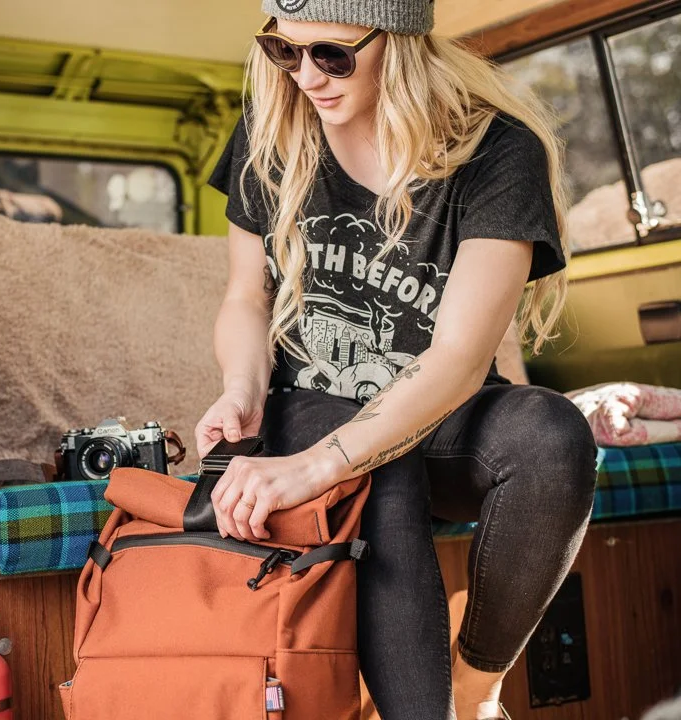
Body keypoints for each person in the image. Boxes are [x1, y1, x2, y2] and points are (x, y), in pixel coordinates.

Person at [195, 1, 599, 718]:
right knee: (378, 464)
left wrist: (317, 468)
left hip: (432, 409)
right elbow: (246, 298)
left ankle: (475, 689)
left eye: (333, 54)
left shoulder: (497, 152)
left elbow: (456, 364)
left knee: (553, 436)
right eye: (284, 52)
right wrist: (241, 392)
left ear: (400, 42)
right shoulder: (273, 127)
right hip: (308, 404)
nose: (305, 77)